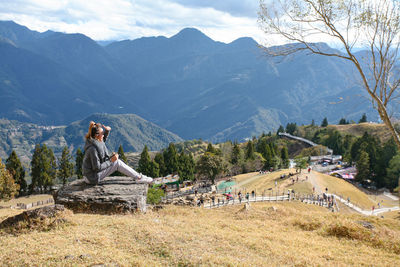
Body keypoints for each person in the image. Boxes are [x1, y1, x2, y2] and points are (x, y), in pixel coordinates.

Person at [82, 121, 153, 185]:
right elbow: (97, 167)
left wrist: (107, 131)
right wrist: (111, 161)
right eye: (102, 133)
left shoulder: (95, 141)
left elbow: (102, 141)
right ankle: (139, 178)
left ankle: (138, 176)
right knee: (117, 163)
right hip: (91, 178)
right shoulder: (92, 149)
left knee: (116, 161)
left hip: (91, 175)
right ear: (97, 136)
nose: (103, 134)